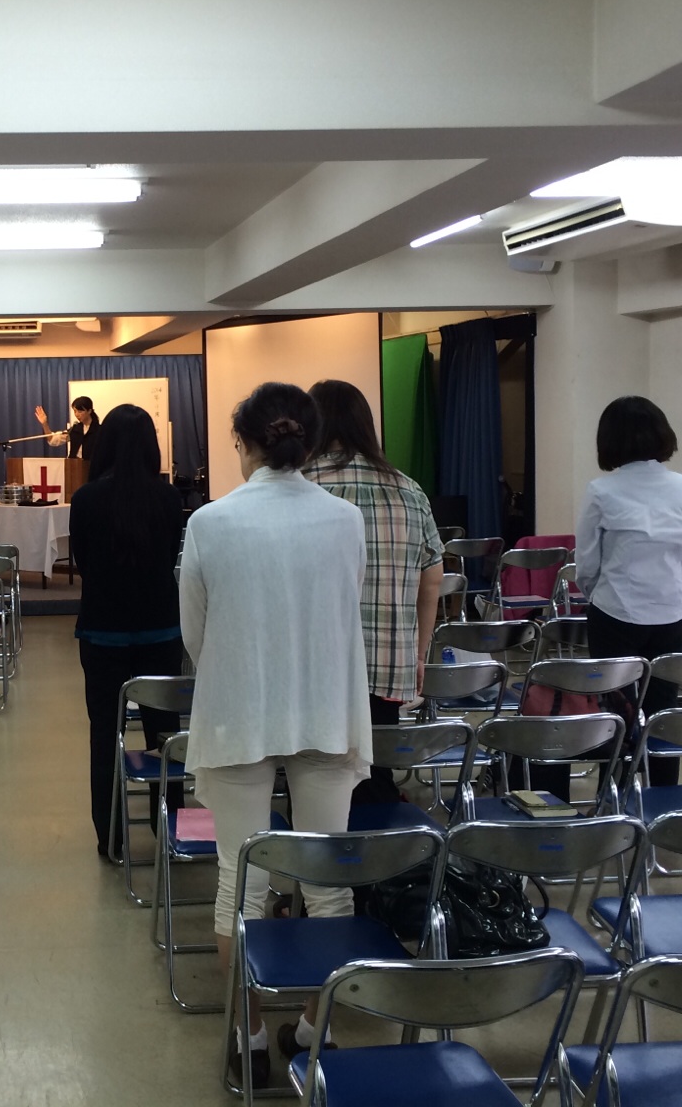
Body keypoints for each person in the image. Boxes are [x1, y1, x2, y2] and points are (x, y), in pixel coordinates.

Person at [178, 381, 371, 1088]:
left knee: (241, 880)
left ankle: (250, 1039)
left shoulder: (210, 522)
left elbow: (196, 633)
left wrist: (241, 669)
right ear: (309, 445)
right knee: (328, 884)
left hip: (240, 708)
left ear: (244, 443)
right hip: (325, 707)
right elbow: (343, 606)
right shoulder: (345, 520)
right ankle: (317, 1032)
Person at [303, 380, 445, 806]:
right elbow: (432, 577)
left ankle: (321, 844)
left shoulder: (302, 485)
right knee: (377, 764)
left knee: (316, 777)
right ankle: (380, 839)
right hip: (387, 658)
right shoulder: (408, 489)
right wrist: (418, 653)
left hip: (316, 662)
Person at [560, 395, 682, 793]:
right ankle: (662, 798)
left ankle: (616, 797)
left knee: (616, 714)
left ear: (608, 440)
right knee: (662, 714)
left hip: (615, 613)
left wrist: (601, 595)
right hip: (670, 613)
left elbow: (587, 564)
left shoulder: (602, 491)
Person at [68, 404, 185, 858]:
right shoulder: (169, 498)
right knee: (165, 735)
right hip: (160, 630)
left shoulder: (87, 499)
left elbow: (83, 563)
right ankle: (170, 829)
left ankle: (111, 837)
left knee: (105, 734)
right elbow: (169, 557)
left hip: (103, 632)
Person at [35, 396, 101, 459]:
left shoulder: (99, 430)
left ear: (89, 411)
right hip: (73, 464)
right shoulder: (75, 429)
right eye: (75, 411)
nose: (77, 414)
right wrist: (44, 423)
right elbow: (52, 440)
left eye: (80, 411)